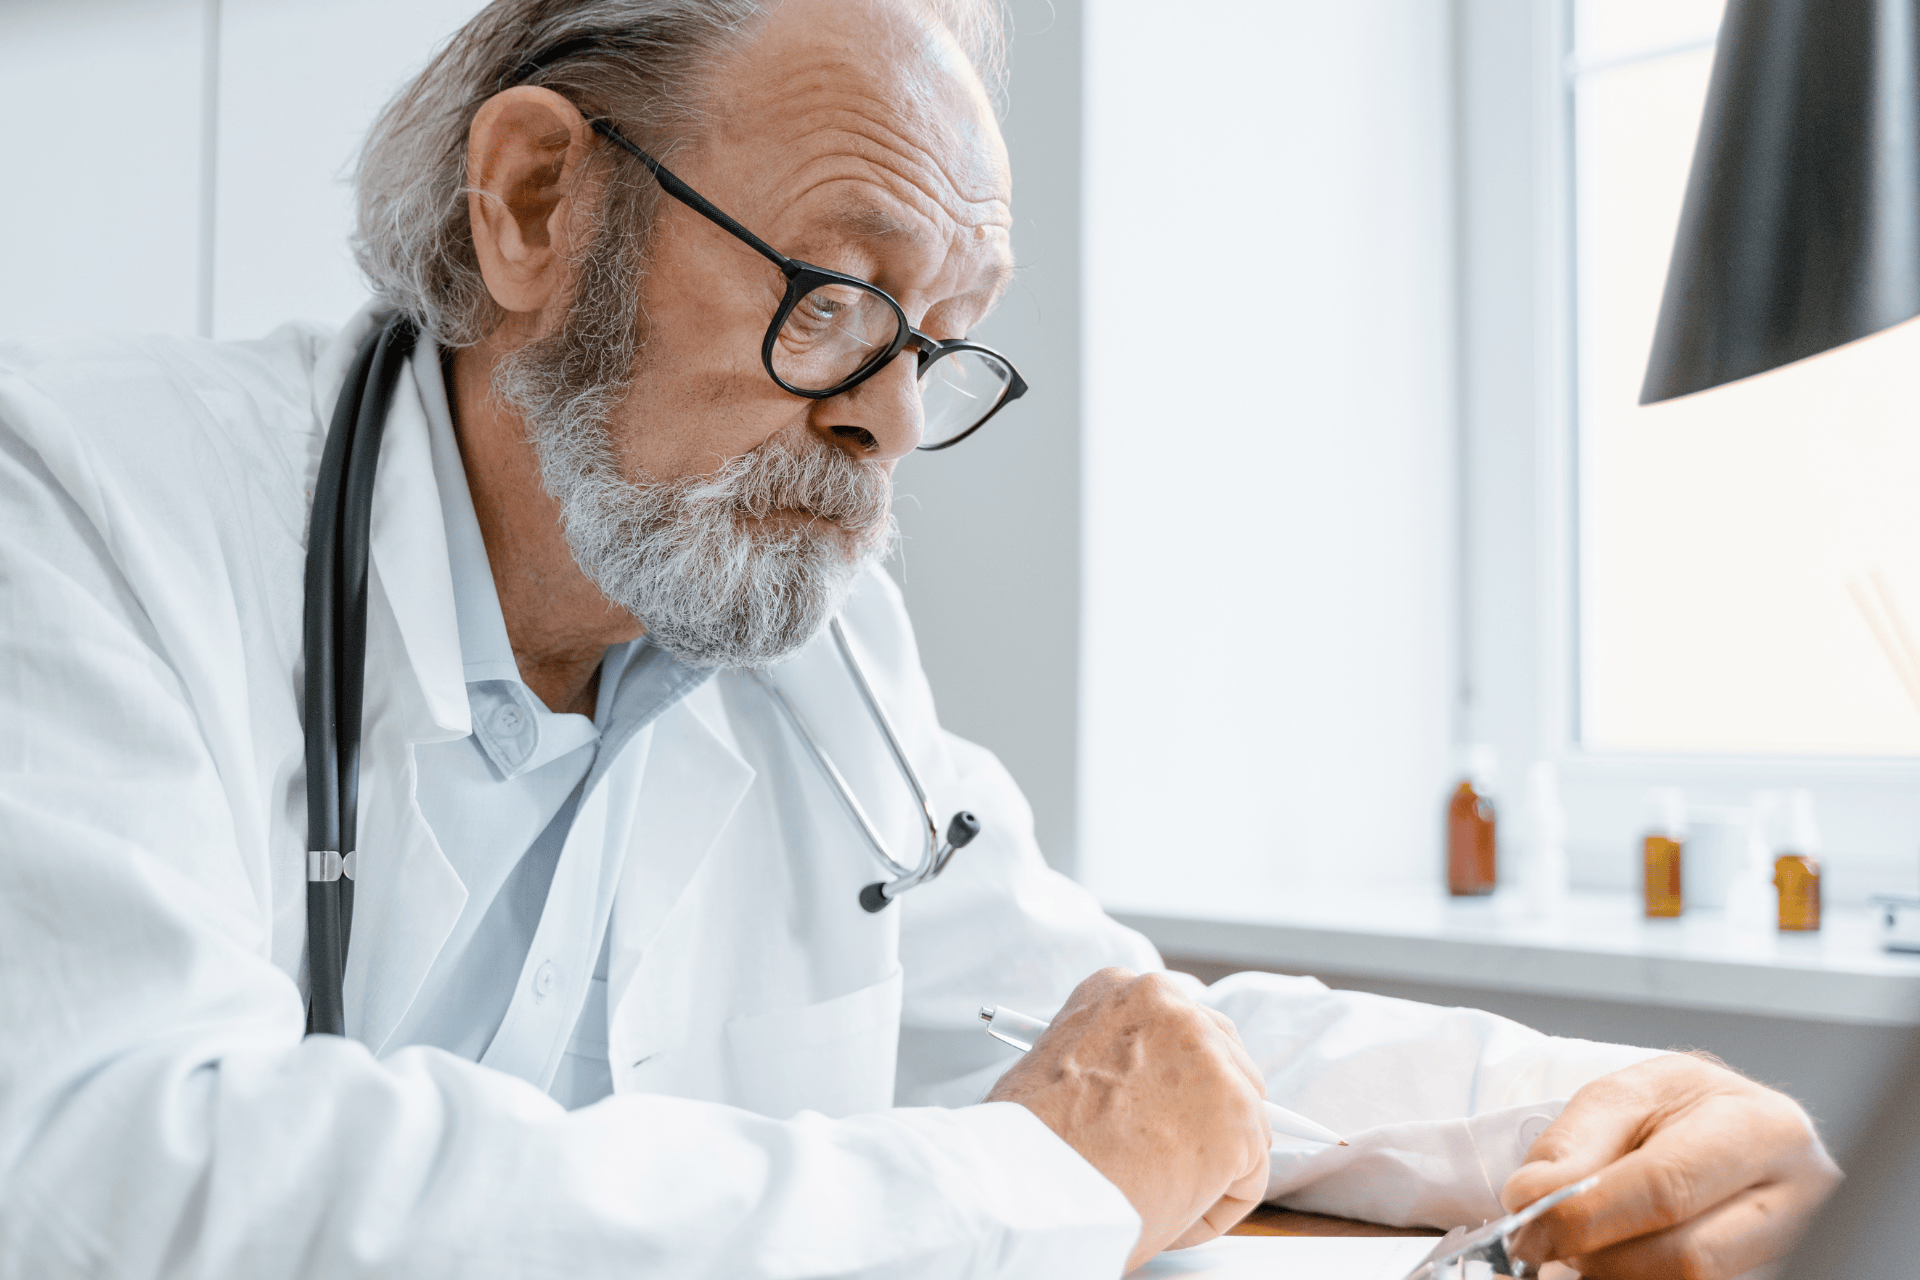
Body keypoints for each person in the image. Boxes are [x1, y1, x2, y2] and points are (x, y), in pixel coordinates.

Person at [0, 0, 1839, 1276]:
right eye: (838, 298)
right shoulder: (77, 509)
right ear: (537, 203)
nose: (888, 420)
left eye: (939, 340)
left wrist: (1595, 1106)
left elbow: (1120, 1046)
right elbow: (124, 1189)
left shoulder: (800, 641)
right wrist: (1011, 1186)